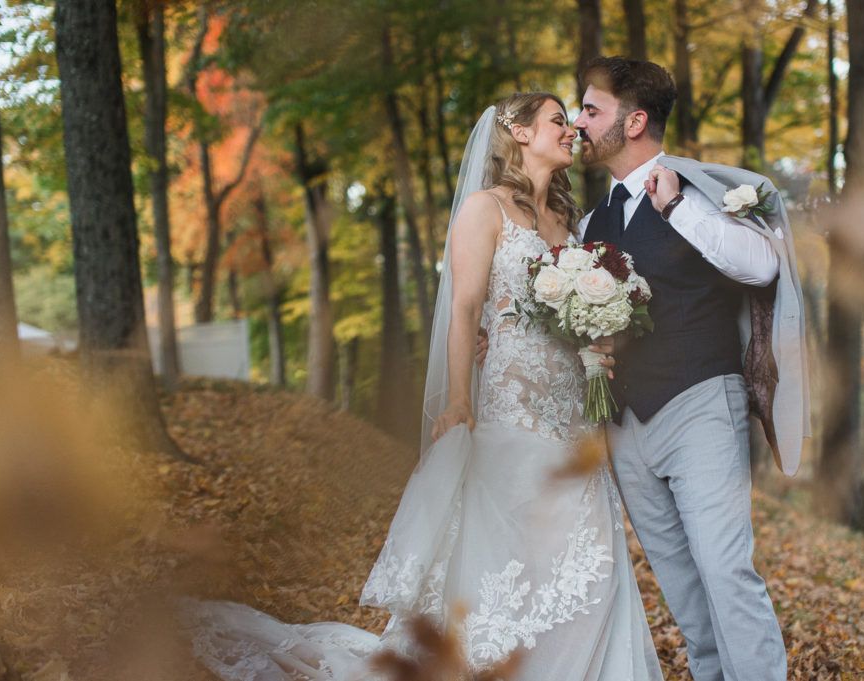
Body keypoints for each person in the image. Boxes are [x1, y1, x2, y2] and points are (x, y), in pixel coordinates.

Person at [181, 92, 665, 681]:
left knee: (589, 553)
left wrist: (598, 341)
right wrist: (459, 398)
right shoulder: (483, 211)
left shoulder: (574, 223)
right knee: (515, 552)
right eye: (558, 121)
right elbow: (464, 311)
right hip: (512, 408)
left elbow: (570, 317)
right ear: (517, 132)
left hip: (574, 411)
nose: (571, 132)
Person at [573, 56, 811, 681]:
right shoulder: (591, 222)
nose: (579, 121)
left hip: (702, 403)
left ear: (635, 122)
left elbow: (762, 267)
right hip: (625, 424)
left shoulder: (701, 190)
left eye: (592, 110)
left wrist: (679, 210)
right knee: (680, 583)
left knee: (726, 570)